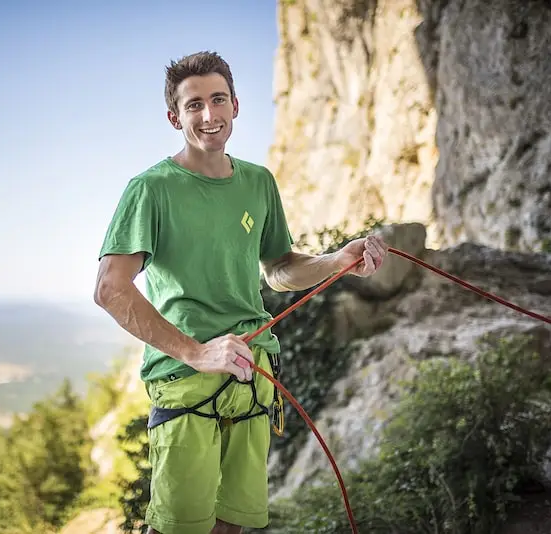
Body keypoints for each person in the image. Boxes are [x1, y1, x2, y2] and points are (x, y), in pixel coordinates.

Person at [93, 50, 387, 534]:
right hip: (186, 377)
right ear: (174, 117)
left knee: (234, 525)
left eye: (218, 100)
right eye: (193, 105)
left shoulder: (258, 182)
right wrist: (196, 353)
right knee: (182, 528)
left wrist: (337, 261)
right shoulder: (151, 189)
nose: (209, 115)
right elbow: (110, 288)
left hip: (254, 372)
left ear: (235, 105)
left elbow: (280, 268)